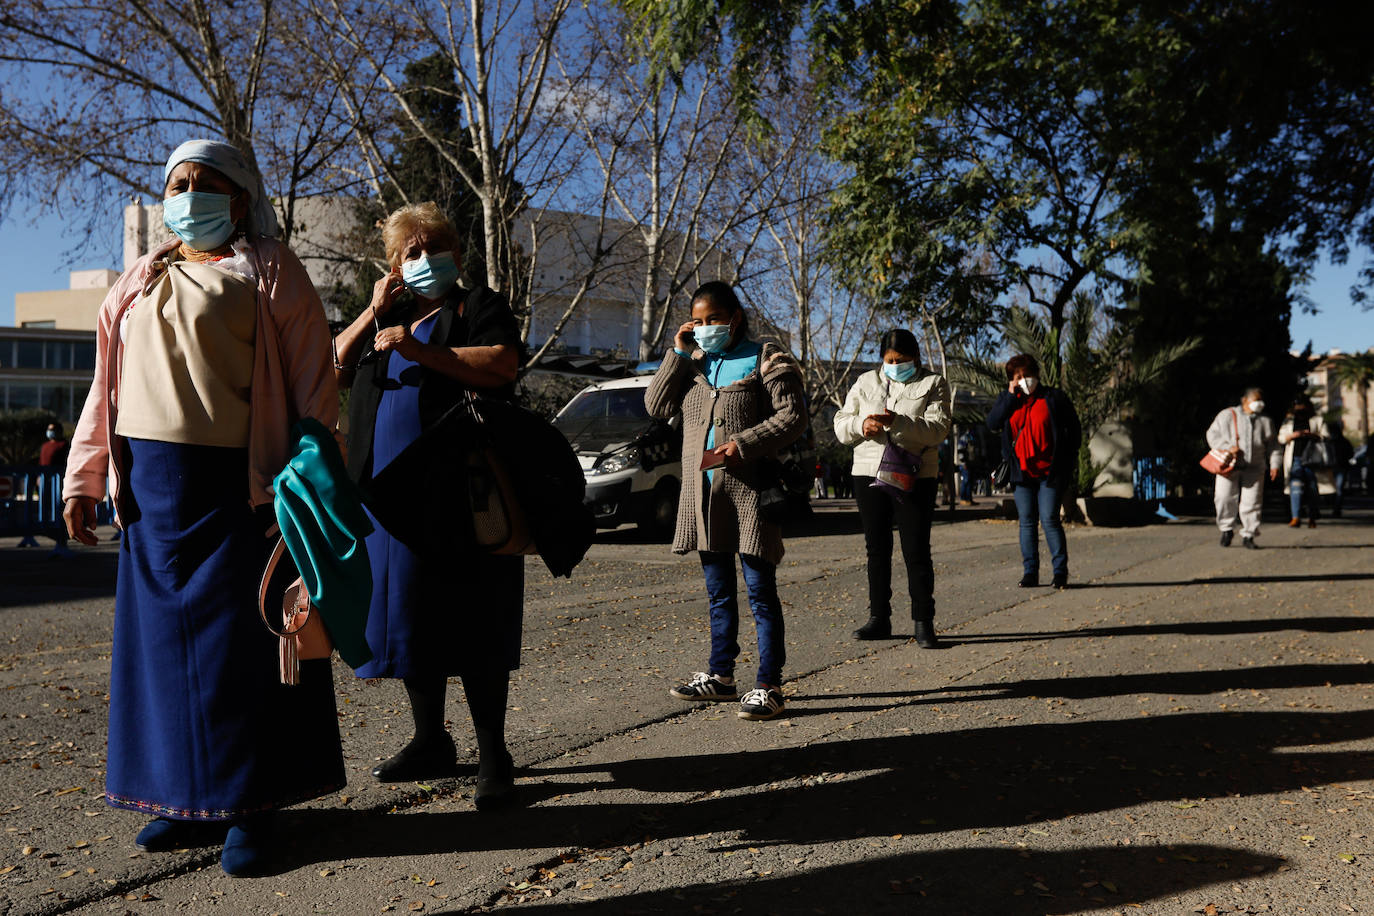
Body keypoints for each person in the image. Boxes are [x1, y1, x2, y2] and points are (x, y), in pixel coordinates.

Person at [61, 140, 343, 876]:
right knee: (160, 658)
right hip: (151, 496)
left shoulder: (269, 268)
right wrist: (83, 478)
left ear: (239, 199)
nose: (187, 195)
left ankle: (252, 805)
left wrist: (310, 476)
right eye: (176, 184)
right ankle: (182, 800)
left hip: (240, 490)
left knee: (238, 653)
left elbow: (314, 381)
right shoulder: (138, 277)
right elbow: (105, 386)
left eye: (203, 183)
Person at [333, 202, 524, 808]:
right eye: (409, 252)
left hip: (461, 493)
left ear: (456, 255)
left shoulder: (477, 307)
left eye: (434, 247)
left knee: (474, 617)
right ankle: (429, 739)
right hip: (387, 500)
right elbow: (329, 370)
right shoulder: (385, 319)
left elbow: (501, 364)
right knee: (410, 616)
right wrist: (372, 312)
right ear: (392, 265)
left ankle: (493, 754)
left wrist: (420, 353)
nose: (424, 259)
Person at [646, 281, 806, 721]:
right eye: (697, 321)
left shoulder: (766, 356)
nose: (704, 327)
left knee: (760, 593)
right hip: (703, 499)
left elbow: (793, 416)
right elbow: (656, 406)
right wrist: (678, 354)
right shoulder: (695, 360)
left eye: (712, 319)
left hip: (751, 497)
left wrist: (744, 442)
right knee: (718, 594)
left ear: (734, 318)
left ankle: (769, 685)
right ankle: (721, 676)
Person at [834, 329, 951, 646]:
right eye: (889, 360)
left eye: (901, 360)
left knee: (916, 548)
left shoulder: (933, 383)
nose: (895, 366)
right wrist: (861, 424)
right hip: (868, 471)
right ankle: (879, 618)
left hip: (913, 473)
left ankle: (923, 621)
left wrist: (896, 422)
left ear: (916, 358)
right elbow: (841, 423)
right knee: (876, 548)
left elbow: (938, 429)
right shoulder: (865, 382)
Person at [986, 354, 1082, 588]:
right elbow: (992, 423)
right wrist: (1011, 395)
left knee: (1049, 519)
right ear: (1012, 380)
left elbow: (1074, 431)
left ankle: (1060, 572)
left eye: (1027, 375)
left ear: (1037, 374)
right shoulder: (1008, 399)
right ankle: (1030, 572)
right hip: (1021, 473)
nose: (1024, 380)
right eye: (1018, 377)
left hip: (1050, 472)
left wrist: (1067, 462)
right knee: (1027, 522)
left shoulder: (1054, 397)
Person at [1205, 387, 1280, 548]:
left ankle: (1249, 535)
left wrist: (1275, 464)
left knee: (1252, 501)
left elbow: (1273, 445)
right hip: (1229, 465)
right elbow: (1212, 434)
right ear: (1245, 400)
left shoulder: (1265, 421)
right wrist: (1227, 447)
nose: (1260, 403)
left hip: (1255, 466)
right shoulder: (1227, 415)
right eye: (1256, 400)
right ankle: (1226, 529)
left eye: (1261, 400)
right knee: (1224, 497)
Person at [1278, 398, 1334, 528]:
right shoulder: (1289, 421)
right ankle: (1295, 517)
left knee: (1312, 488)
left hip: (1312, 460)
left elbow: (1326, 436)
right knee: (1295, 487)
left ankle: (1312, 516)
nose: (1300, 409)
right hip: (1295, 459)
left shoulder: (1317, 420)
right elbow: (1281, 438)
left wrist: (1312, 435)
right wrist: (1293, 436)